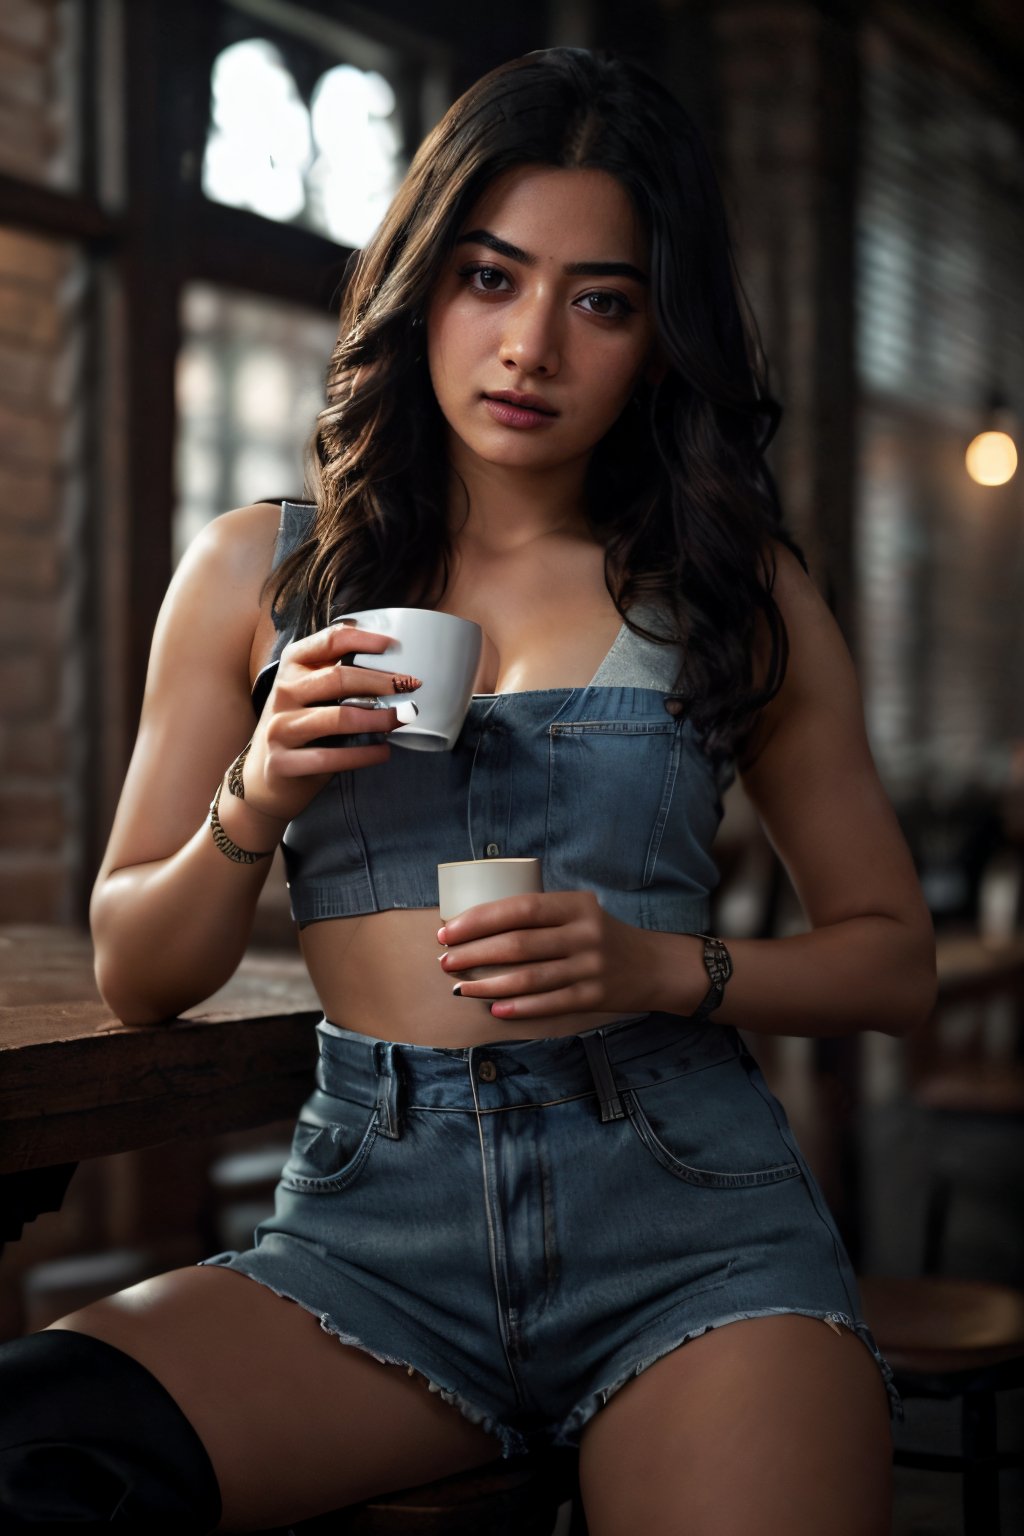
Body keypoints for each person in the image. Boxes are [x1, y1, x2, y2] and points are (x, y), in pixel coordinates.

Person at [0, 46, 935, 1535]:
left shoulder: (729, 589)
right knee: (34, 1446)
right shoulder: (259, 575)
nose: (532, 348)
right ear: (422, 288)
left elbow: (895, 962)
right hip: (372, 1237)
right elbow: (140, 968)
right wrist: (256, 790)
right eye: (491, 280)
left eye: (601, 301)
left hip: (692, 1229)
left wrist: (659, 967)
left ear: (656, 334)